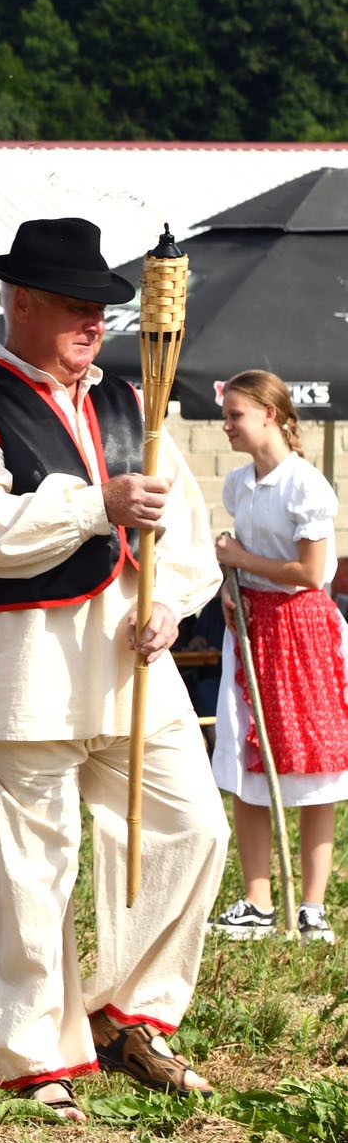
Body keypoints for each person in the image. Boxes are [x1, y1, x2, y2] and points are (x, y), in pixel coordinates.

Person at [0, 217, 226, 1117]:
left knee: (190, 825)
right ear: (19, 303)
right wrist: (97, 503)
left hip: (131, 655)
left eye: (102, 308)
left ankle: (125, 1010)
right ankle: (30, 1057)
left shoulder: (133, 401)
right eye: (75, 307)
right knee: (26, 867)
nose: (95, 322)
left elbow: (190, 534)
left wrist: (171, 602)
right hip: (28, 660)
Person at [208, 369, 344, 941]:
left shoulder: (305, 486)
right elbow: (238, 558)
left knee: (316, 762)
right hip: (251, 626)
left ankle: (311, 906)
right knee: (246, 760)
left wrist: (240, 558)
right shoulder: (239, 484)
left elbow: (311, 574)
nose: (227, 425)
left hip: (301, 628)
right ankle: (258, 901)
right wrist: (226, 582)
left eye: (236, 414)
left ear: (269, 414)